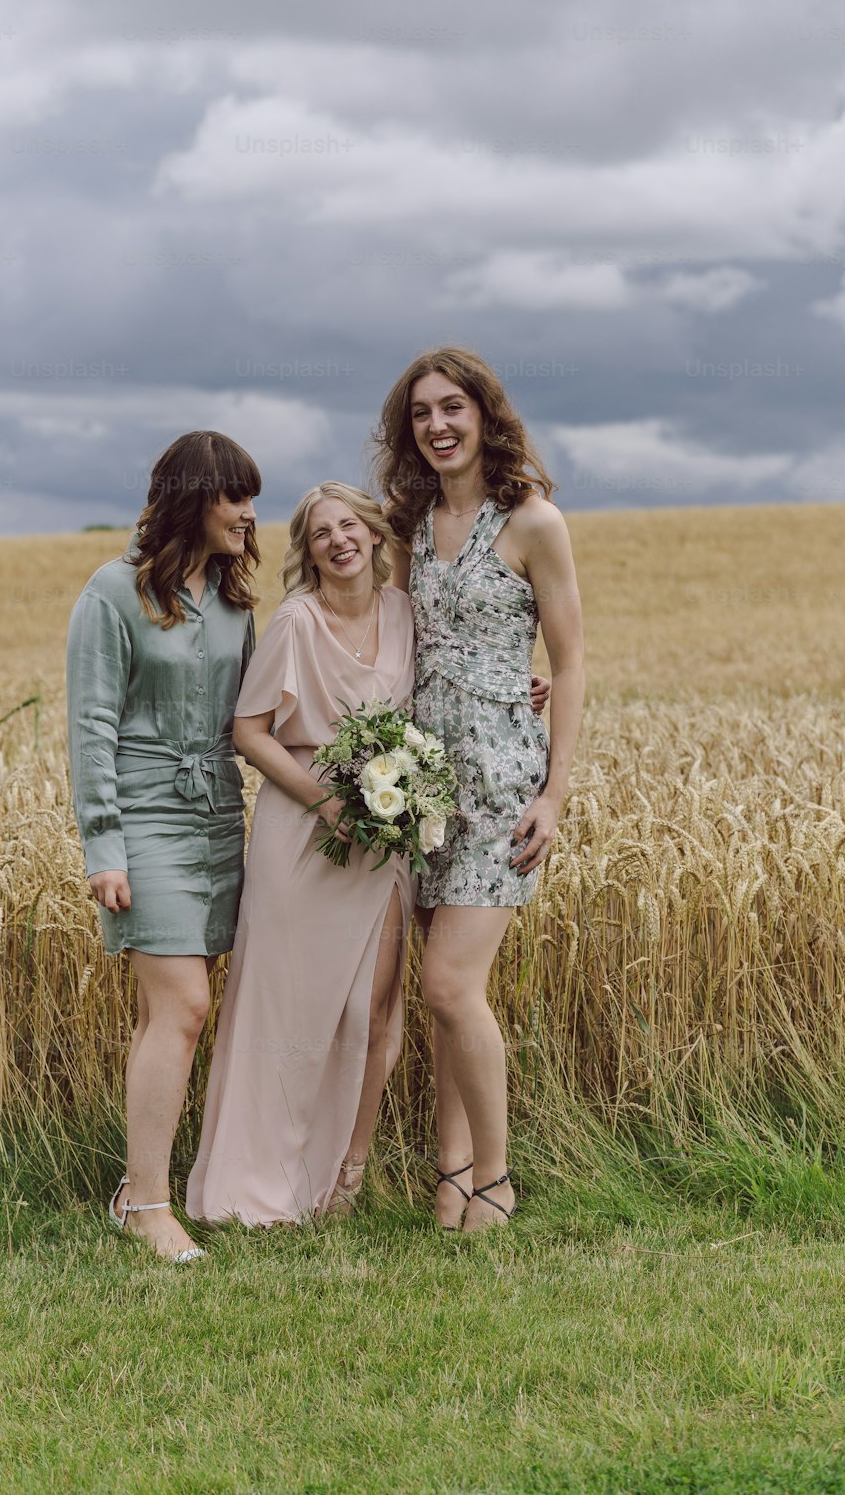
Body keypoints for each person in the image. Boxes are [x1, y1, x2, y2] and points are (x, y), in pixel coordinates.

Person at [375, 346, 585, 1231]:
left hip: (502, 780)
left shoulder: (533, 522)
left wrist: (555, 793)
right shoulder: (406, 524)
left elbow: (570, 664)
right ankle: (450, 1177)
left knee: (451, 986)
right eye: (422, 412)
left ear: (484, 415)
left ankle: (495, 1181)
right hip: (422, 785)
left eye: (453, 407)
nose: (438, 425)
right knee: (441, 998)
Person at [186, 483, 418, 1225]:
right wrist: (328, 803)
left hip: (385, 835)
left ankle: (342, 1187)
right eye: (321, 533)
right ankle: (258, 1187)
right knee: (281, 1014)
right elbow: (250, 731)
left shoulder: (404, 613)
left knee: (370, 1012)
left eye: (350, 525)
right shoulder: (295, 620)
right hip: (304, 837)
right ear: (309, 551)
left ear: (376, 535)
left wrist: (527, 691)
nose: (339, 539)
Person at [66, 429, 260, 1262]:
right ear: (192, 499)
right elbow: (91, 724)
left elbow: (261, 717)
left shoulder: (232, 601)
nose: (250, 514)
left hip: (220, 816)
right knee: (184, 1009)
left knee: (166, 1015)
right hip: (143, 821)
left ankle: (147, 1187)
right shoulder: (112, 594)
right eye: (234, 497)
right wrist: (103, 845)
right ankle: (146, 1204)